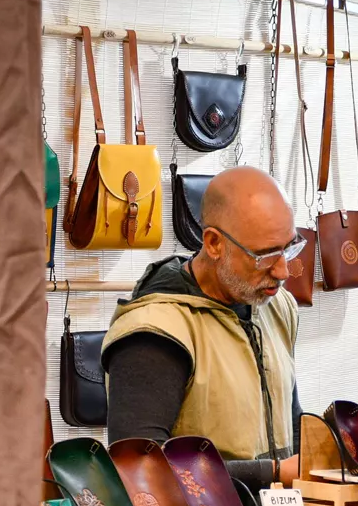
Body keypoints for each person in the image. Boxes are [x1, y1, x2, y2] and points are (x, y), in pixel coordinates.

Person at [103, 166, 302, 487]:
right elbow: (139, 467)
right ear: (213, 243)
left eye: (289, 247)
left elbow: (291, 430)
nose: (283, 271)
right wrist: (274, 473)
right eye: (265, 255)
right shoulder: (155, 332)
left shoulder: (277, 308)